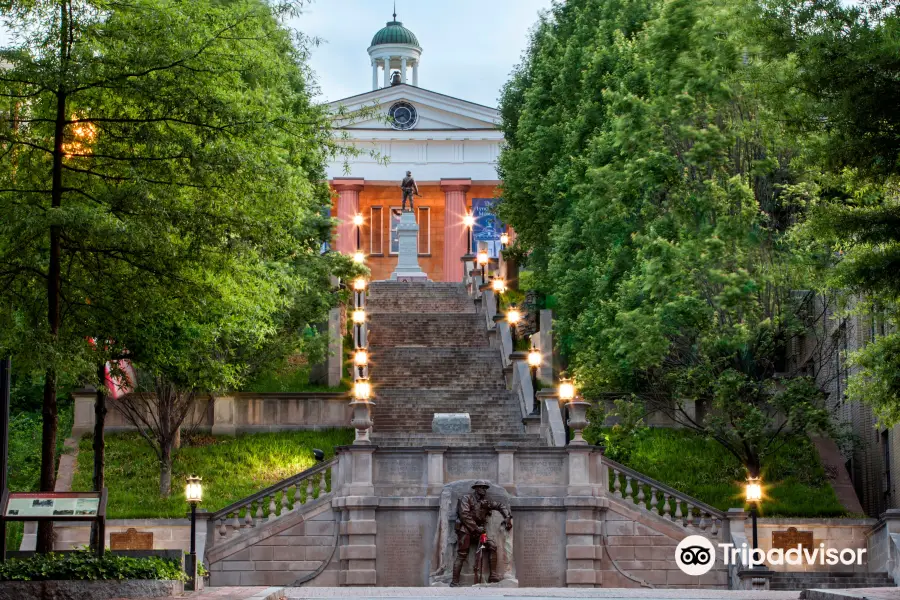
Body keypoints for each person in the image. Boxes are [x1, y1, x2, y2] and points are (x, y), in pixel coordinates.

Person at [451, 480, 513, 586]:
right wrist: (476, 528)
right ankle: (454, 582)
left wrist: (507, 517)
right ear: (476, 488)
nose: (484, 490)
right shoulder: (466, 498)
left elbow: (500, 505)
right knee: (462, 554)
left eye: (485, 488)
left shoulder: (485, 502)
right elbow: (464, 515)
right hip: (465, 530)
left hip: (479, 532)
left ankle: (493, 576)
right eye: (482, 487)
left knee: (492, 546)